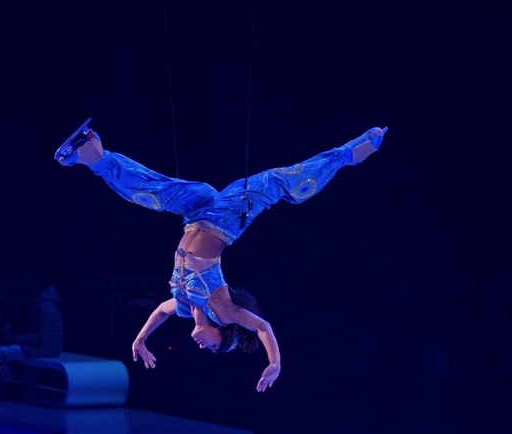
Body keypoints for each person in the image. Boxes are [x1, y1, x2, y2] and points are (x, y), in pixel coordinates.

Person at [56, 120, 387, 391]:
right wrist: (274, 363)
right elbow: (262, 327)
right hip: (227, 217)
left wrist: (140, 340)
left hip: (196, 210)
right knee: (280, 183)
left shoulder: (186, 305)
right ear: (222, 330)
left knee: (151, 193)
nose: (204, 346)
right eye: (214, 346)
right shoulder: (222, 309)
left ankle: (91, 152)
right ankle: (349, 154)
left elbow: (160, 311)